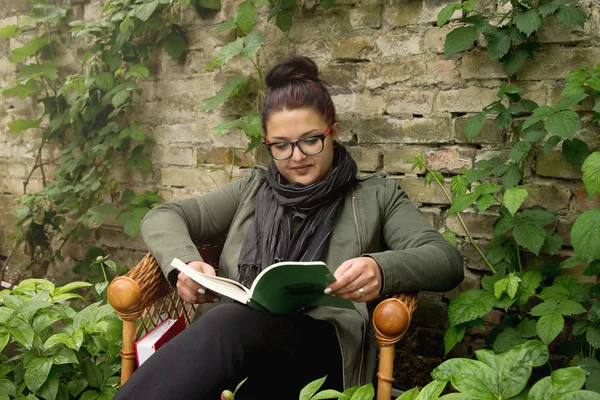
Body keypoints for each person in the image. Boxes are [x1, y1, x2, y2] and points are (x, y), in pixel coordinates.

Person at [114, 56, 464, 400]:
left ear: (334, 133)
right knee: (232, 333)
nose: (296, 156)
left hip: (322, 351)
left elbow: (445, 260)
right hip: (245, 344)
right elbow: (164, 215)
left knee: (227, 326)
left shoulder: (375, 196)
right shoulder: (252, 189)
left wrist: (380, 269)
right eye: (281, 146)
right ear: (268, 144)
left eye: (310, 140)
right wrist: (186, 265)